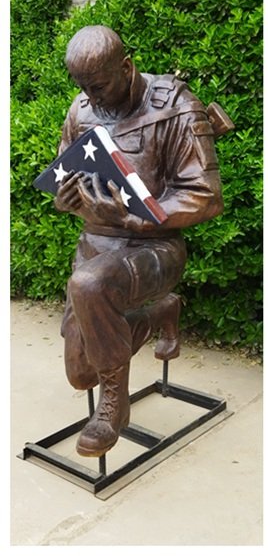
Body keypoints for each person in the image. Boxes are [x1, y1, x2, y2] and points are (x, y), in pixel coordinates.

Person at [54, 25, 224, 456]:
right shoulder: (81, 109)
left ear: (126, 67)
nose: (91, 97)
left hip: (156, 247)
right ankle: (159, 312)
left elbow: (205, 196)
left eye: (98, 85)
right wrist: (67, 199)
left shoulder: (176, 106)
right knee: (80, 374)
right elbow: (64, 173)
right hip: (96, 246)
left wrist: (136, 218)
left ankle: (115, 407)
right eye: (83, 88)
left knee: (90, 285)